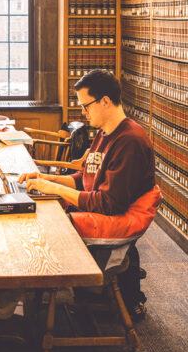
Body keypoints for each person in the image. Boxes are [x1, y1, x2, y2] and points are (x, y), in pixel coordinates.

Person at [20, 68, 155, 318]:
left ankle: (17, 301)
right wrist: (44, 178)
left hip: (114, 222)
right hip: (97, 211)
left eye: (86, 106)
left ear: (105, 101)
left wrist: (54, 189)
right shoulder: (104, 133)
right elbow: (84, 178)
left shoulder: (130, 141)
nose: (83, 112)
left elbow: (108, 203)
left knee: (37, 229)